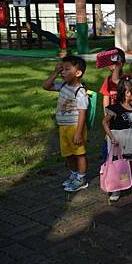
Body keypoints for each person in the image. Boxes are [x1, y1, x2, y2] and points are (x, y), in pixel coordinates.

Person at [43, 56, 89, 192]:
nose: (63, 72)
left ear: (78, 73)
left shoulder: (80, 92)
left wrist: (79, 132)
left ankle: (81, 179)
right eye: (62, 69)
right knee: (68, 153)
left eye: (67, 69)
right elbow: (46, 86)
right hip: (63, 127)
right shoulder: (63, 85)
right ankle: (74, 174)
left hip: (75, 127)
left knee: (79, 153)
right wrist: (55, 72)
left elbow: (82, 113)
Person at [102, 76, 132, 201]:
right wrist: (111, 137)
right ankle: (117, 188)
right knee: (119, 165)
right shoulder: (115, 108)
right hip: (119, 140)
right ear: (127, 93)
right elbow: (105, 123)